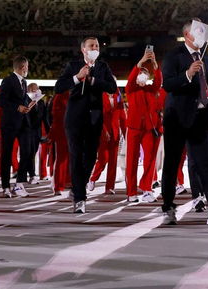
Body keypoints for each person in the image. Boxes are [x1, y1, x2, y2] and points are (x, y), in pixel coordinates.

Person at [158, 21, 208, 227]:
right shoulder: (173, 56)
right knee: (172, 163)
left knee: (207, 164)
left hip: (201, 118)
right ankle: (167, 206)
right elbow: (167, 84)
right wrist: (187, 74)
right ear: (187, 35)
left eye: (203, 32)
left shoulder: (206, 57)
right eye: (198, 32)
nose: (202, 36)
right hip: (177, 118)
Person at [53, 37, 118, 214]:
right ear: (83, 49)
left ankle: (78, 186)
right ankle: (80, 198)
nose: (95, 48)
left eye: (97, 46)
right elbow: (58, 87)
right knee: (75, 156)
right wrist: (77, 77)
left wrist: (95, 81)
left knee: (90, 157)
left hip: (95, 118)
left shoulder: (103, 67)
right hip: (74, 118)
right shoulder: (73, 65)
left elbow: (112, 87)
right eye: (91, 46)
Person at [125, 52, 163, 203]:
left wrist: (154, 66)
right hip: (134, 128)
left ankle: (147, 189)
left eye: (145, 74)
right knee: (132, 160)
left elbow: (158, 81)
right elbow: (130, 79)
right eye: (141, 73)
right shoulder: (131, 89)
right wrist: (140, 62)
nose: (143, 75)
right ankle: (131, 192)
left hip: (149, 129)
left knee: (150, 160)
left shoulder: (150, 90)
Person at [0, 55, 33, 198]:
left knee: (27, 151)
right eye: (27, 67)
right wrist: (17, 107)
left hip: (24, 122)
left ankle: (19, 184)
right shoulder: (8, 80)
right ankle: (5, 186)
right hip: (10, 123)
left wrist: (30, 103)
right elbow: (1, 101)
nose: (27, 69)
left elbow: (22, 100)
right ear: (23, 67)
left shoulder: (24, 82)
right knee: (6, 154)